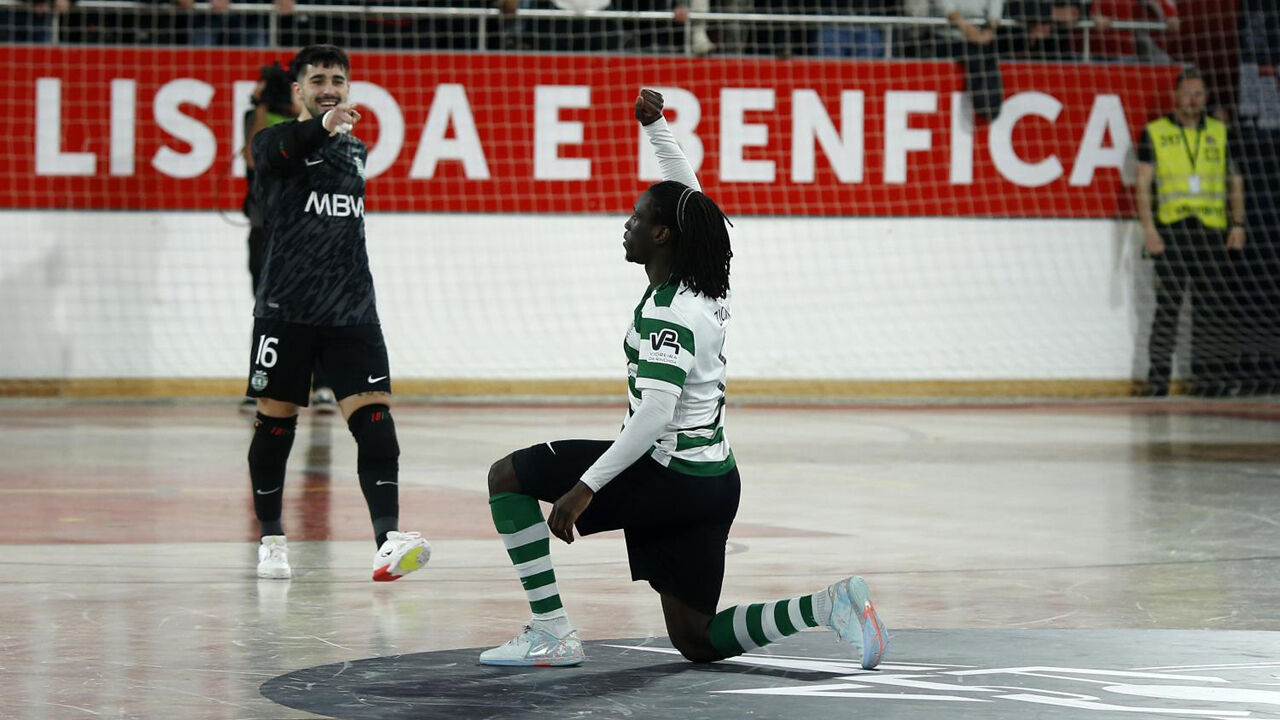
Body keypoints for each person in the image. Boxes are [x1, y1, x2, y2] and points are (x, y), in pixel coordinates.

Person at [478, 88, 887, 669]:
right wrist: (657, 128)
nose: (627, 224)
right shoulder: (706, 284)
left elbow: (655, 413)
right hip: (715, 482)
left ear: (662, 235)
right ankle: (827, 605)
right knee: (696, 639)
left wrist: (585, 488)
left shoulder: (671, 312)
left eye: (637, 217)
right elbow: (691, 200)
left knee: (508, 475)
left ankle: (551, 631)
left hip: (666, 476)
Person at [246, 44, 430, 580]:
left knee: (376, 423)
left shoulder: (356, 150)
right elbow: (280, 152)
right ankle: (272, 540)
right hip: (286, 307)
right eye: (318, 79)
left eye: (338, 80)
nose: (329, 88)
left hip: (352, 308)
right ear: (298, 91)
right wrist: (321, 126)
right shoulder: (272, 142)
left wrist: (333, 131)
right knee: (275, 423)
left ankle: (387, 541)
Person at [1136, 67, 1247, 397]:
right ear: (1175, 96)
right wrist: (1149, 229)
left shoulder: (1221, 132)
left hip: (1211, 230)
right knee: (1167, 308)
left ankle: (1210, 379)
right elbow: (1143, 183)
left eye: (1198, 94)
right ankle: (1158, 381)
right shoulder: (1155, 132)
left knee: (1212, 308)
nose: (1192, 100)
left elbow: (1235, 181)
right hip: (1172, 230)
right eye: (1186, 93)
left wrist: (1238, 223)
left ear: (1206, 97)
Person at [240, 63, 335, 415]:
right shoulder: (254, 117)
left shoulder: (307, 123)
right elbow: (252, 158)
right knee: (266, 307)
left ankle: (321, 384)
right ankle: (263, 382)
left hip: (302, 229)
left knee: (314, 305)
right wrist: (261, 106)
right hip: (264, 226)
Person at [905, 0, 1004, 120]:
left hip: (979, 36)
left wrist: (990, 28)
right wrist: (965, 27)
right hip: (944, 36)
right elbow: (943, 4)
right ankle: (984, 105)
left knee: (986, 60)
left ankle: (989, 106)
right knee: (974, 57)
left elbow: (996, 4)